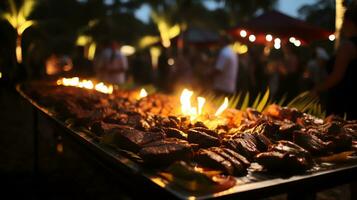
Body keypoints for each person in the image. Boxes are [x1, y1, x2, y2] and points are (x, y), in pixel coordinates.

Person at [313, 7, 357, 119]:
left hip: (344, 99)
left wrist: (317, 88)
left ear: (349, 22)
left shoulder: (347, 46)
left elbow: (337, 76)